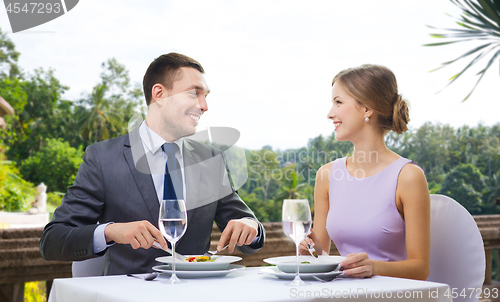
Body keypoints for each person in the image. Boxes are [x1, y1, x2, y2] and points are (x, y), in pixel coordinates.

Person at [40, 53, 265, 275]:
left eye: (205, 96)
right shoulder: (102, 158)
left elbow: (247, 233)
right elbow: (53, 240)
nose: (204, 105)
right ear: (159, 94)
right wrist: (110, 231)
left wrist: (250, 227)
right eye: (193, 93)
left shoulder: (211, 160)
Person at [300, 64, 430, 280]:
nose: (330, 113)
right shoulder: (327, 175)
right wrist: (310, 252)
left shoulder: (408, 176)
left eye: (338, 102)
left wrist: (374, 267)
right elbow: (321, 256)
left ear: (367, 109)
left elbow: (420, 269)